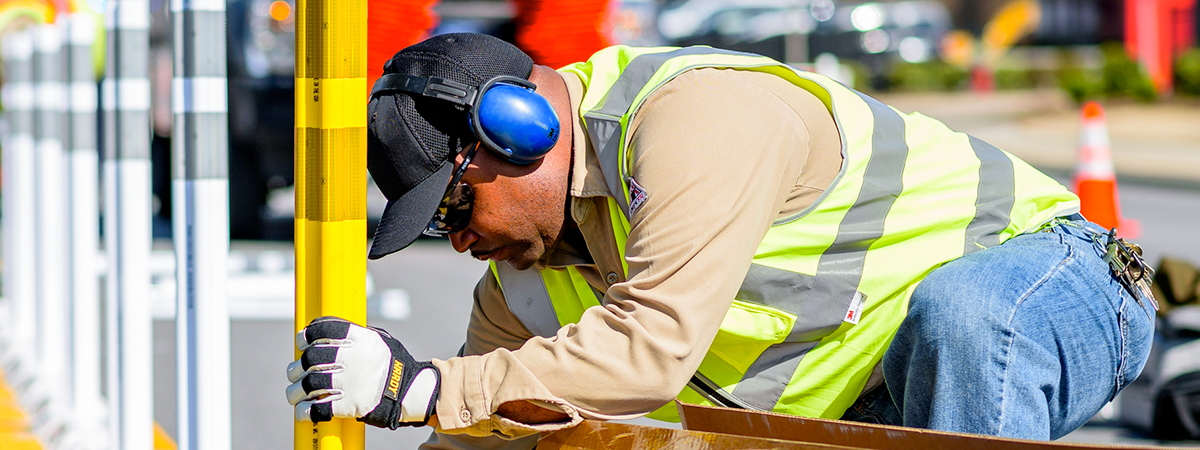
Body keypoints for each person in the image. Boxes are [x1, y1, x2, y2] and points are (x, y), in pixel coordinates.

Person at [283, 33, 1158, 447]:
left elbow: (651, 349)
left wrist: (423, 383)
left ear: (520, 129)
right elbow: (476, 430)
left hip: (1055, 282)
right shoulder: (526, 287)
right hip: (885, 393)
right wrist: (439, 402)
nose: (461, 245)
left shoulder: (689, 119)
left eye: (453, 211)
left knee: (963, 320)